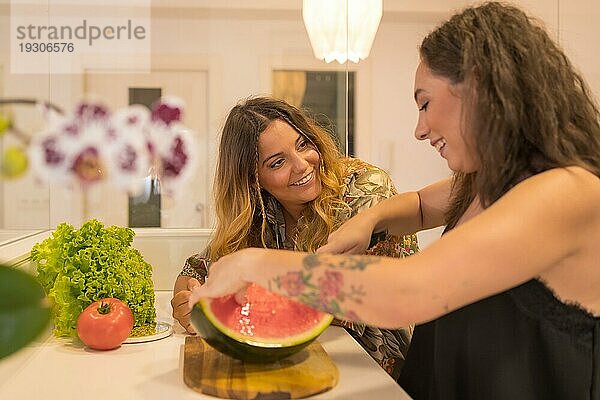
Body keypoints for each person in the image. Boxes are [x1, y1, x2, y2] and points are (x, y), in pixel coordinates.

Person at [189, 3, 600, 399]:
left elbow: (411, 292)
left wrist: (255, 265)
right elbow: (421, 205)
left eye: (425, 103)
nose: (419, 129)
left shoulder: (564, 192)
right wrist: (371, 220)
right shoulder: (490, 183)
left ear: (480, 88)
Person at [171, 96, 419, 379]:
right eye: (278, 163)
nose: (302, 165)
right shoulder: (263, 212)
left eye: (303, 145)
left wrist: (254, 279)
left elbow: (343, 296)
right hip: (295, 368)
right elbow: (197, 269)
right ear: (253, 179)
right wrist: (189, 299)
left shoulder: (366, 187)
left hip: (378, 374)